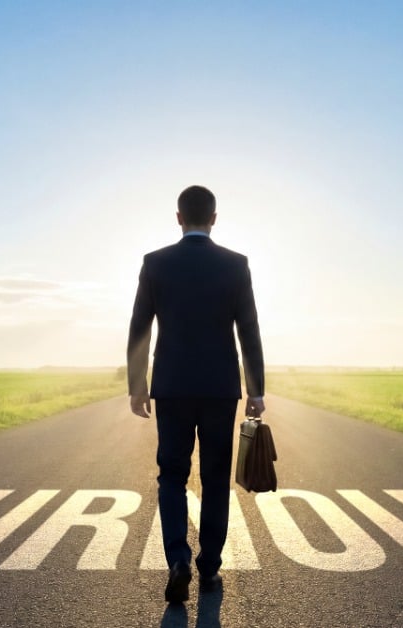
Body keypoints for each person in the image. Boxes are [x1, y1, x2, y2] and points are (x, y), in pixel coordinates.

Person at [127, 184, 265, 604]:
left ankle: (177, 560)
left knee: (171, 475)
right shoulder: (235, 265)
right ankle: (208, 569)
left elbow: (139, 328)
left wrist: (138, 387)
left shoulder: (155, 263)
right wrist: (256, 389)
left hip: (170, 388)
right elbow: (249, 332)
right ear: (215, 218)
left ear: (179, 218)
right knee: (215, 478)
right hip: (220, 389)